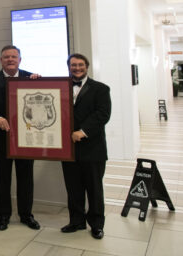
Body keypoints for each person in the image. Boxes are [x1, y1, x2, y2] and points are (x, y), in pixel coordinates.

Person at [0, 45, 41, 231]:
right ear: (1, 60)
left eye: (14, 56)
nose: (10, 59)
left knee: (26, 179)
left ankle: (26, 215)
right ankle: (3, 216)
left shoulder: (32, 78)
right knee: (3, 180)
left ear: (20, 60)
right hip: (2, 138)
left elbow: (44, 98)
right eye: (6, 57)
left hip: (27, 139)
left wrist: (40, 83)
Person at [61, 53, 111, 240]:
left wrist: (83, 131)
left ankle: (97, 225)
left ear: (87, 66)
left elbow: (103, 114)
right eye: (73, 65)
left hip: (93, 148)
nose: (77, 68)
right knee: (73, 188)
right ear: (69, 67)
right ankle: (76, 221)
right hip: (68, 149)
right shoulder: (61, 87)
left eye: (80, 65)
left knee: (94, 189)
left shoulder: (101, 89)